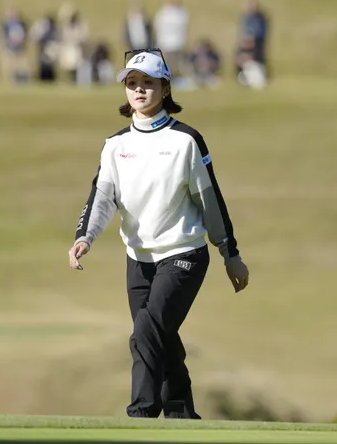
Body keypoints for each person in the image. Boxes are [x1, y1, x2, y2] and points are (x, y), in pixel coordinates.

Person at [68, 49, 249, 419]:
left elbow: (210, 200)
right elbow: (102, 197)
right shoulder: (116, 146)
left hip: (183, 254)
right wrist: (84, 237)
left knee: (146, 334)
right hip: (139, 260)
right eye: (132, 83)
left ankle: (141, 413)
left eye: (148, 83)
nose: (139, 90)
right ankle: (182, 417)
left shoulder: (186, 141)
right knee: (161, 340)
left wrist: (229, 254)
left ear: (165, 88)